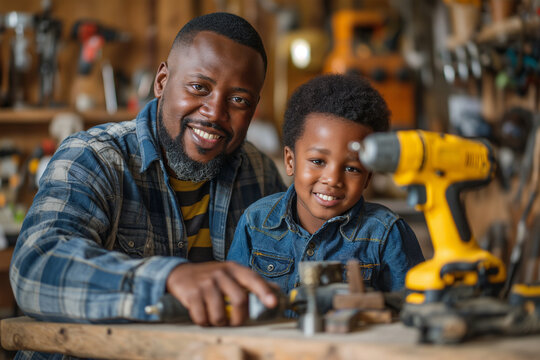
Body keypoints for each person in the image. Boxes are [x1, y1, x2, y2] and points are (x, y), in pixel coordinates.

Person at [10, 11, 286, 341]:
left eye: (239, 99)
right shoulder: (95, 157)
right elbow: (34, 268)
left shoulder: (258, 174)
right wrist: (168, 279)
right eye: (199, 87)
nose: (215, 113)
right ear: (161, 82)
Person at [227, 74, 424, 294]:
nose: (332, 179)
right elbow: (234, 301)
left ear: (368, 177)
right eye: (318, 161)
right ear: (290, 161)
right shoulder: (255, 223)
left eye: (352, 168)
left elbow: (414, 310)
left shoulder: (387, 234)